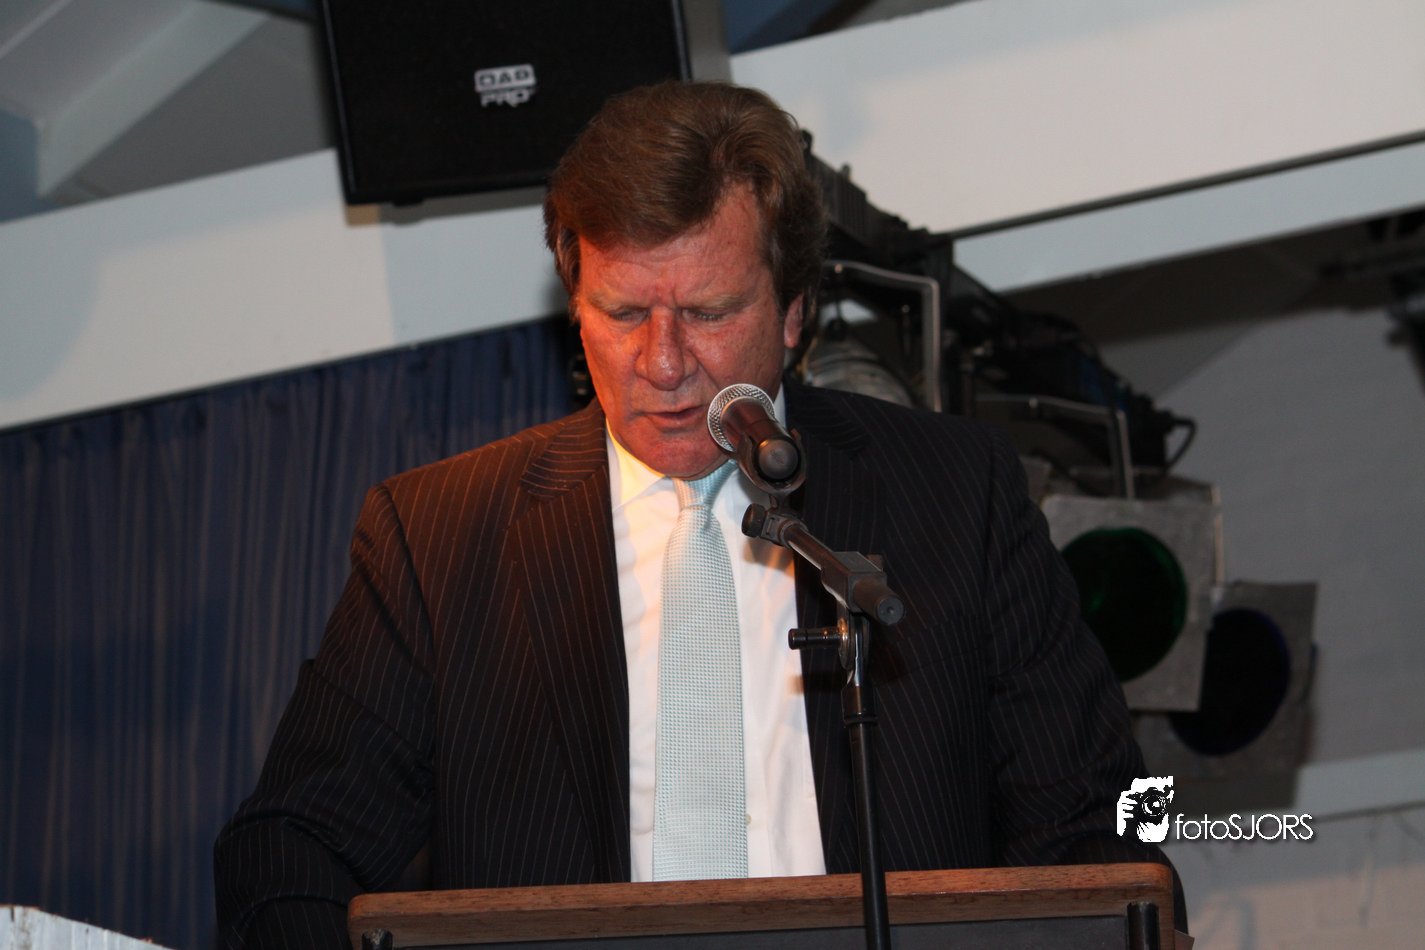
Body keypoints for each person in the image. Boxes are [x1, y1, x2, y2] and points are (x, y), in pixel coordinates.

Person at [214, 81, 1182, 947]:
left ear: (794, 310)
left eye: (710, 312)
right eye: (623, 314)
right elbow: (291, 847)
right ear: (574, 304)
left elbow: (1099, 821)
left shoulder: (956, 492)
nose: (665, 363)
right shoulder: (438, 535)